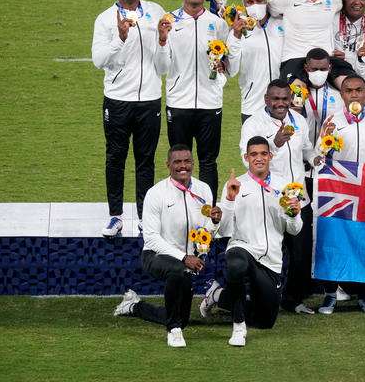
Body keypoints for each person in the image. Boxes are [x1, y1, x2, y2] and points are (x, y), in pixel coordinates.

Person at [112, 144, 222, 347]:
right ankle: (173, 330)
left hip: (189, 259)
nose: (183, 166)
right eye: (177, 162)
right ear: (168, 165)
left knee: (182, 317)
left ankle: (135, 306)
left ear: (193, 163)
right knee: (177, 272)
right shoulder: (156, 193)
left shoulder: (203, 189)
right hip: (155, 255)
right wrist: (183, 258)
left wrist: (214, 222)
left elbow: (205, 234)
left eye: (187, 161)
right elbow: (151, 239)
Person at [199, 137, 302, 346]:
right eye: (253, 154)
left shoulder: (284, 186)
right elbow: (224, 231)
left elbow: (294, 230)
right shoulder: (236, 185)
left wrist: (294, 214)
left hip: (270, 260)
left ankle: (217, 295)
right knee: (236, 266)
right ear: (246, 158)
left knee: (265, 321)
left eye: (263, 154)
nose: (259, 158)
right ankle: (238, 326)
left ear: (270, 156)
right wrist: (228, 199)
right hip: (241, 248)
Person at [92, 0, 164, 237]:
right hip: (117, 100)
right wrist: (119, 39)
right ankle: (115, 217)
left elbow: (164, 49)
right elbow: (99, 60)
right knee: (115, 157)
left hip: (149, 100)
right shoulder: (105, 20)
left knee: (146, 160)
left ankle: (145, 217)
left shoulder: (156, 12)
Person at [239, 79, 317, 314]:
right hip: (270, 200)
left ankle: (293, 300)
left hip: (299, 198)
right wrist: (275, 144)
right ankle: (262, 295)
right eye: (276, 99)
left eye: (285, 99)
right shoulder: (254, 124)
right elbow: (247, 160)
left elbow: (306, 149)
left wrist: (316, 158)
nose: (281, 103)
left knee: (301, 254)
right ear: (266, 99)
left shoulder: (299, 120)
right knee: (267, 251)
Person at [313, 74, 365, 314]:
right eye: (349, 91)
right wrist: (325, 140)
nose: (354, 94)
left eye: (358, 90)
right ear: (342, 95)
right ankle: (330, 295)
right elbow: (319, 157)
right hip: (338, 192)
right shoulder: (332, 121)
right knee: (333, 243)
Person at [156, 0, 230, 204]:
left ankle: (208, 211)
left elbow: (227, 66)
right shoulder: (169, 22)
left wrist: (220, 74)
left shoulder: (218, 24)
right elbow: (160, 66)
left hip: (210, 104)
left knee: (208, 161)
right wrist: (161, 40)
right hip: (178, 104)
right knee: (180, 160)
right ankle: (179, 208)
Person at [269, 0, 353, 88]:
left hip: (327, 58)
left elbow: (347, 11)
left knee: (353, 86)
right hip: (295, 59)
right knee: (296, 95)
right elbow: (268, 11)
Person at [225, 0, 285, 121]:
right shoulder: (236, 31)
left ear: (266, 0)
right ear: (244, 4)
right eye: (250, 2)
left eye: (259, 0)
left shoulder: (282, 23)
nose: (255, 5)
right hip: (253, 104)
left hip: (284, 101)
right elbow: (231, 71)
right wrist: (236, 37)